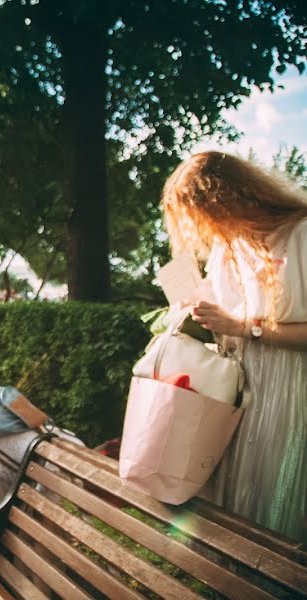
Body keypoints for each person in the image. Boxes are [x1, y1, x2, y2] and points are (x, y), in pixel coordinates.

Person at [161, 151, 307, 543]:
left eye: (202, 213)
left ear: (228, 200)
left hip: (292, 393)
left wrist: (244, 328)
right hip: (237, 391)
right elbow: (223, 322)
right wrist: (198, 312)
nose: (200, 227)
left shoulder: (301, 235)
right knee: (238, 493)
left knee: (279, 497)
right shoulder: (229, 249)